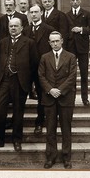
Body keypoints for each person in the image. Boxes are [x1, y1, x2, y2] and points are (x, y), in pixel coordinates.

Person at [0, 18, 38, 151]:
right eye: (11, 26)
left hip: (20, 81)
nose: (13, 28)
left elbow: (34, 64)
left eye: (16, 26)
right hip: (4, 80)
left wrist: (30, 83)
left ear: (22, 28)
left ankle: (17, 140)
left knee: (18, 111)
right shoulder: (3, 42)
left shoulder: (29, 43)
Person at [38, 31, 77, 169]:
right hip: (49, 98)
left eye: (57, 41)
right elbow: (41, 76)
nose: (54, 43)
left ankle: (67, 158)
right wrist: (50, 90)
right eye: (52, 41)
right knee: (50, 130)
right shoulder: (44, 57)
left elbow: (72, 76)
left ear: (62, 41)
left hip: (65, 98)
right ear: (49, 43)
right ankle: (51, 157)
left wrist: (60, 90)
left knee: (66, 129)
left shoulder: (71, 57)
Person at [23, 5, 55, 134]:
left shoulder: (49, 29)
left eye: (36, 12)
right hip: (27, 67)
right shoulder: (25, 30)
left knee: (42, 96)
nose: (34, 14)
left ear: (41, 12)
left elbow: (52, 49)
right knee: (20, 94)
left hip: (43, 68)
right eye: (31, 12)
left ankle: (40, 122)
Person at [65, 0, 90, 106]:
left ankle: (85, 98)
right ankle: (71, 98)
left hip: (83, 48)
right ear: (70, 1)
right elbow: (64, 31)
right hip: (70, 48)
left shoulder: (87, 14)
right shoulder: (67, 15)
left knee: (84, 74)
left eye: (77, 0)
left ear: (80, 1)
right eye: (72, 0)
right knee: (71, 74)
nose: (74, 2)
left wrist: (81, 29)